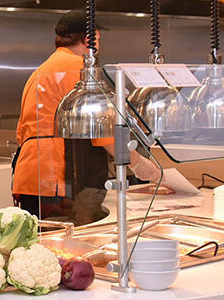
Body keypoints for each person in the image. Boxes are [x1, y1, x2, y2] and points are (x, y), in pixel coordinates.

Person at [12, 10, 161, 225]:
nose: (98, 44)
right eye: (97, 38)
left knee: (41, 239)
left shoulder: (42, 70)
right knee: (66, 240)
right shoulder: (77, 67)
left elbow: (21, 132)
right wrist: (138, 164)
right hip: (57, 178)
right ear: (87, 38)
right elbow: (102, 131)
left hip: (30, 175)